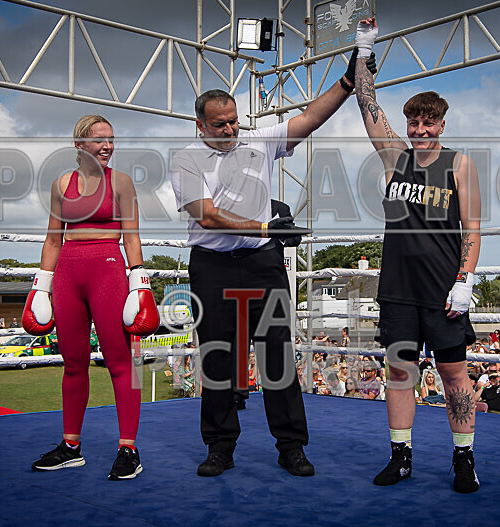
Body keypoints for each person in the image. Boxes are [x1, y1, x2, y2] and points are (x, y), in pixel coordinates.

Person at [167, 46, 376, 478]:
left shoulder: (259, 141)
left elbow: (309, 119)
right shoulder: (186, 158)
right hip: (213, 264)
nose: (230, 128)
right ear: (200, 124)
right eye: (219, 123)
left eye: (233, 120)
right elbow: (204, 214)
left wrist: (347, 82)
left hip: (263, 264)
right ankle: (220, 447)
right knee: (219, 359)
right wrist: (266, 230)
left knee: (278, 358)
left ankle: (291, 447)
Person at [353, 18, 482, 493]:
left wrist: (465, 279)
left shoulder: (459, 164)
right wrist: (365, 47)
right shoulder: (394, 156)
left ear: (442, 125)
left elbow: (473, 228)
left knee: (453, 375)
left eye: (429, 122)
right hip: (399, 289)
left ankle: (464, 458)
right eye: (414, 122)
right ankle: (400, 455)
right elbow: (367, 103)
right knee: (400, 372)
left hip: (444, 289)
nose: (420, 129)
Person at [27, 115, 158, 481]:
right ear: (79, 144)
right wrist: (41, 285)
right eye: (99, 139)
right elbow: (53, 239)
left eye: (111, 139)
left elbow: (131, 237)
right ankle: (71, 447)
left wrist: (139, 283)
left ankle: (128, 448)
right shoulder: (60, 185)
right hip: (68, 272)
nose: (107, 145)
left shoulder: (121, 183)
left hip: (109, 269)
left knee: (120, 362)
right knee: (72, 362)